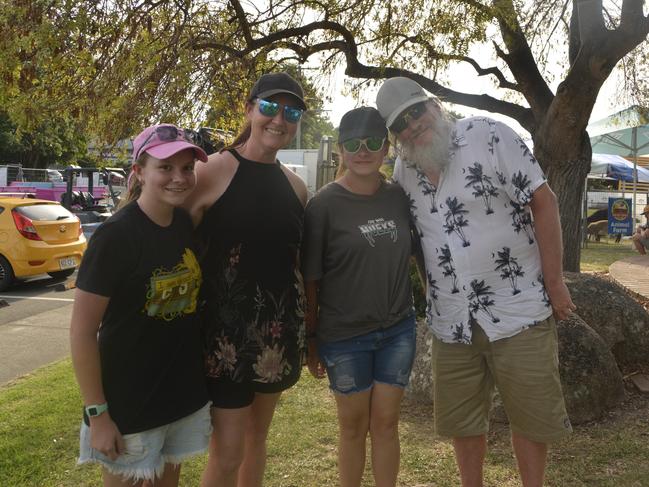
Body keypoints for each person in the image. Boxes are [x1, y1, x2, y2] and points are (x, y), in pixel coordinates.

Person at [376, 77, 576, 487]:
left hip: (518, 308)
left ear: (433, 104)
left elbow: (544, 201)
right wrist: (430, 293)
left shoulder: (487, 135)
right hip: (451, 321)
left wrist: (555, 283)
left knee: (532, 418)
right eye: (400, 124)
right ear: (395, 137)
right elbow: (420, 241)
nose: (413, 125)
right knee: (463, 423)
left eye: (416, 111)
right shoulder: (404, 171)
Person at [184, 72, 308, 487]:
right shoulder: (212, 171)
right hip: (223, 342)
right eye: (270, 107)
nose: (279, 119)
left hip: (274, 337)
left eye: (291, 111)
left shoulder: (296, 186)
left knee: (257, 440)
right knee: (228, 451)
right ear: (249, 109)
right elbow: (167, 240)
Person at [70, 124, 211, 486]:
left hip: (179, 398)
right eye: (165, 167)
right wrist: (98, 415)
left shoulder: (183, 223)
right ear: (139, 172)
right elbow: (83, 333)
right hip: (128, 407)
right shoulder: (115, 237)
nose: (179, 178)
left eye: (186, 168)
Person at [301, 107, 416, 487]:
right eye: (353, 143)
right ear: (340, 150)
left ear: (387, 149)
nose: (363, 151)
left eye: (372, 143)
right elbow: (311, 282)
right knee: (352, 428)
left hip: (397, 330)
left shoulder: (400, 197)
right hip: (344, 336)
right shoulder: (323, 205)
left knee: (385, 424)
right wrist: (312, 339)